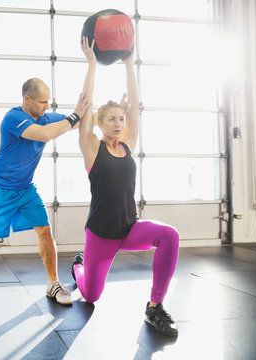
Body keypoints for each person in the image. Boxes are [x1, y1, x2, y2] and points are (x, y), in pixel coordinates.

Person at [0, 78, 91, 305]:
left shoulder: (45, 118)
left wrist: (112, 114)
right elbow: (44, 134)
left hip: (25, 190)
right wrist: (74, 116)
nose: (46, 107)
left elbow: (78, 122)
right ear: (27, 99)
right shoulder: (12, 118)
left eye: (48, 102)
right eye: (43, 102)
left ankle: (52, 283)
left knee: (44, 230)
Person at [73, 37, 180, 336]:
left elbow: (134, 106)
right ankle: (78, 268)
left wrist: (130, 64)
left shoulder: (129, 145)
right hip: (101, 234)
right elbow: (87, 102)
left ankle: (155, 306)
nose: (119, 123)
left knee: (169, 235)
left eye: (121, 119)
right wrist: (92, 64)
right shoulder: (91, 147)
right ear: (99, 122)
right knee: (91, 296)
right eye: (112, 120)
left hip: (130, 227)